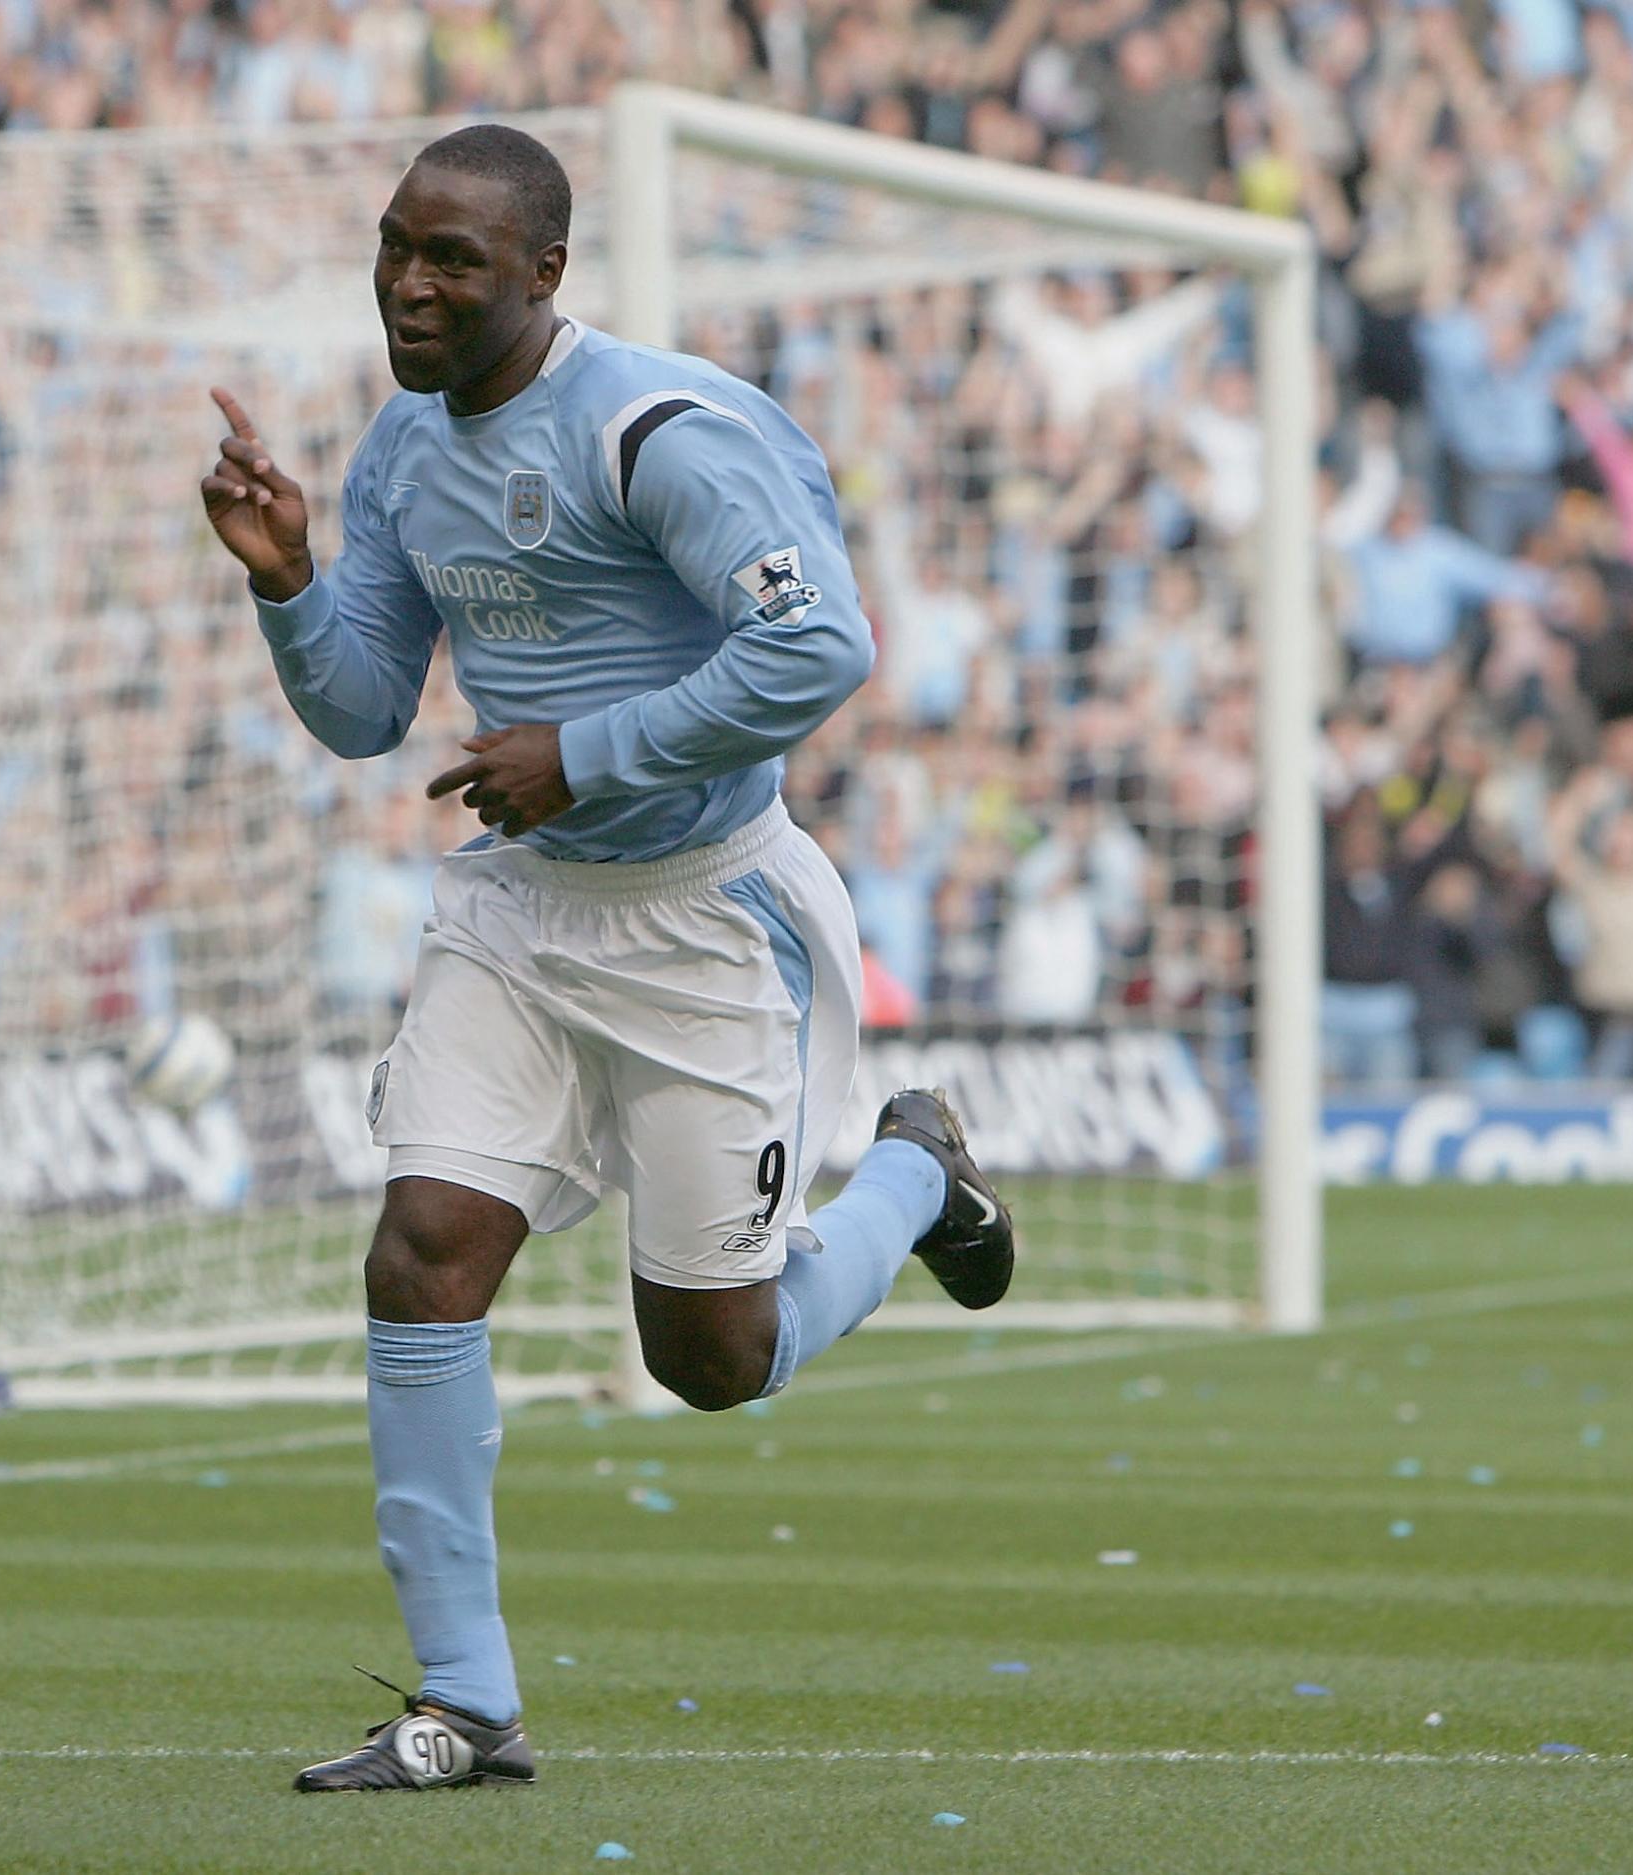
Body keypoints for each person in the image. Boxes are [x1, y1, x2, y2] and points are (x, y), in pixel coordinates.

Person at [196, 125, 1017, 1792]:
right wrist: (288, 581)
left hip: (708, 917)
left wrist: (586, 751)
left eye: (454, 261)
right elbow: (365, 710)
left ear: (547, 273)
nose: (410, 287)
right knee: (421, 1253)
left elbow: (824, 644)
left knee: (708, 1361)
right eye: (393, 249)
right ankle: (469, 1702)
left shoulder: (659, 430)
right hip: (521, 907)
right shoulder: (404, 452)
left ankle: (915, 1177)